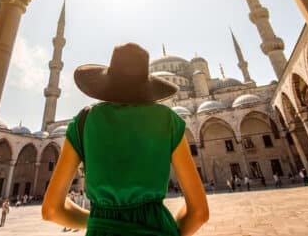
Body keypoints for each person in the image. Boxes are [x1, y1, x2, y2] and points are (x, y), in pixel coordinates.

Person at [42, 43, 209, 236]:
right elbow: (199, 213)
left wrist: (101, 222)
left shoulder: (83, 122)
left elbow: (51, 210)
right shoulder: (168, 120)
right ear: (146, 83)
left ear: (108, 81)